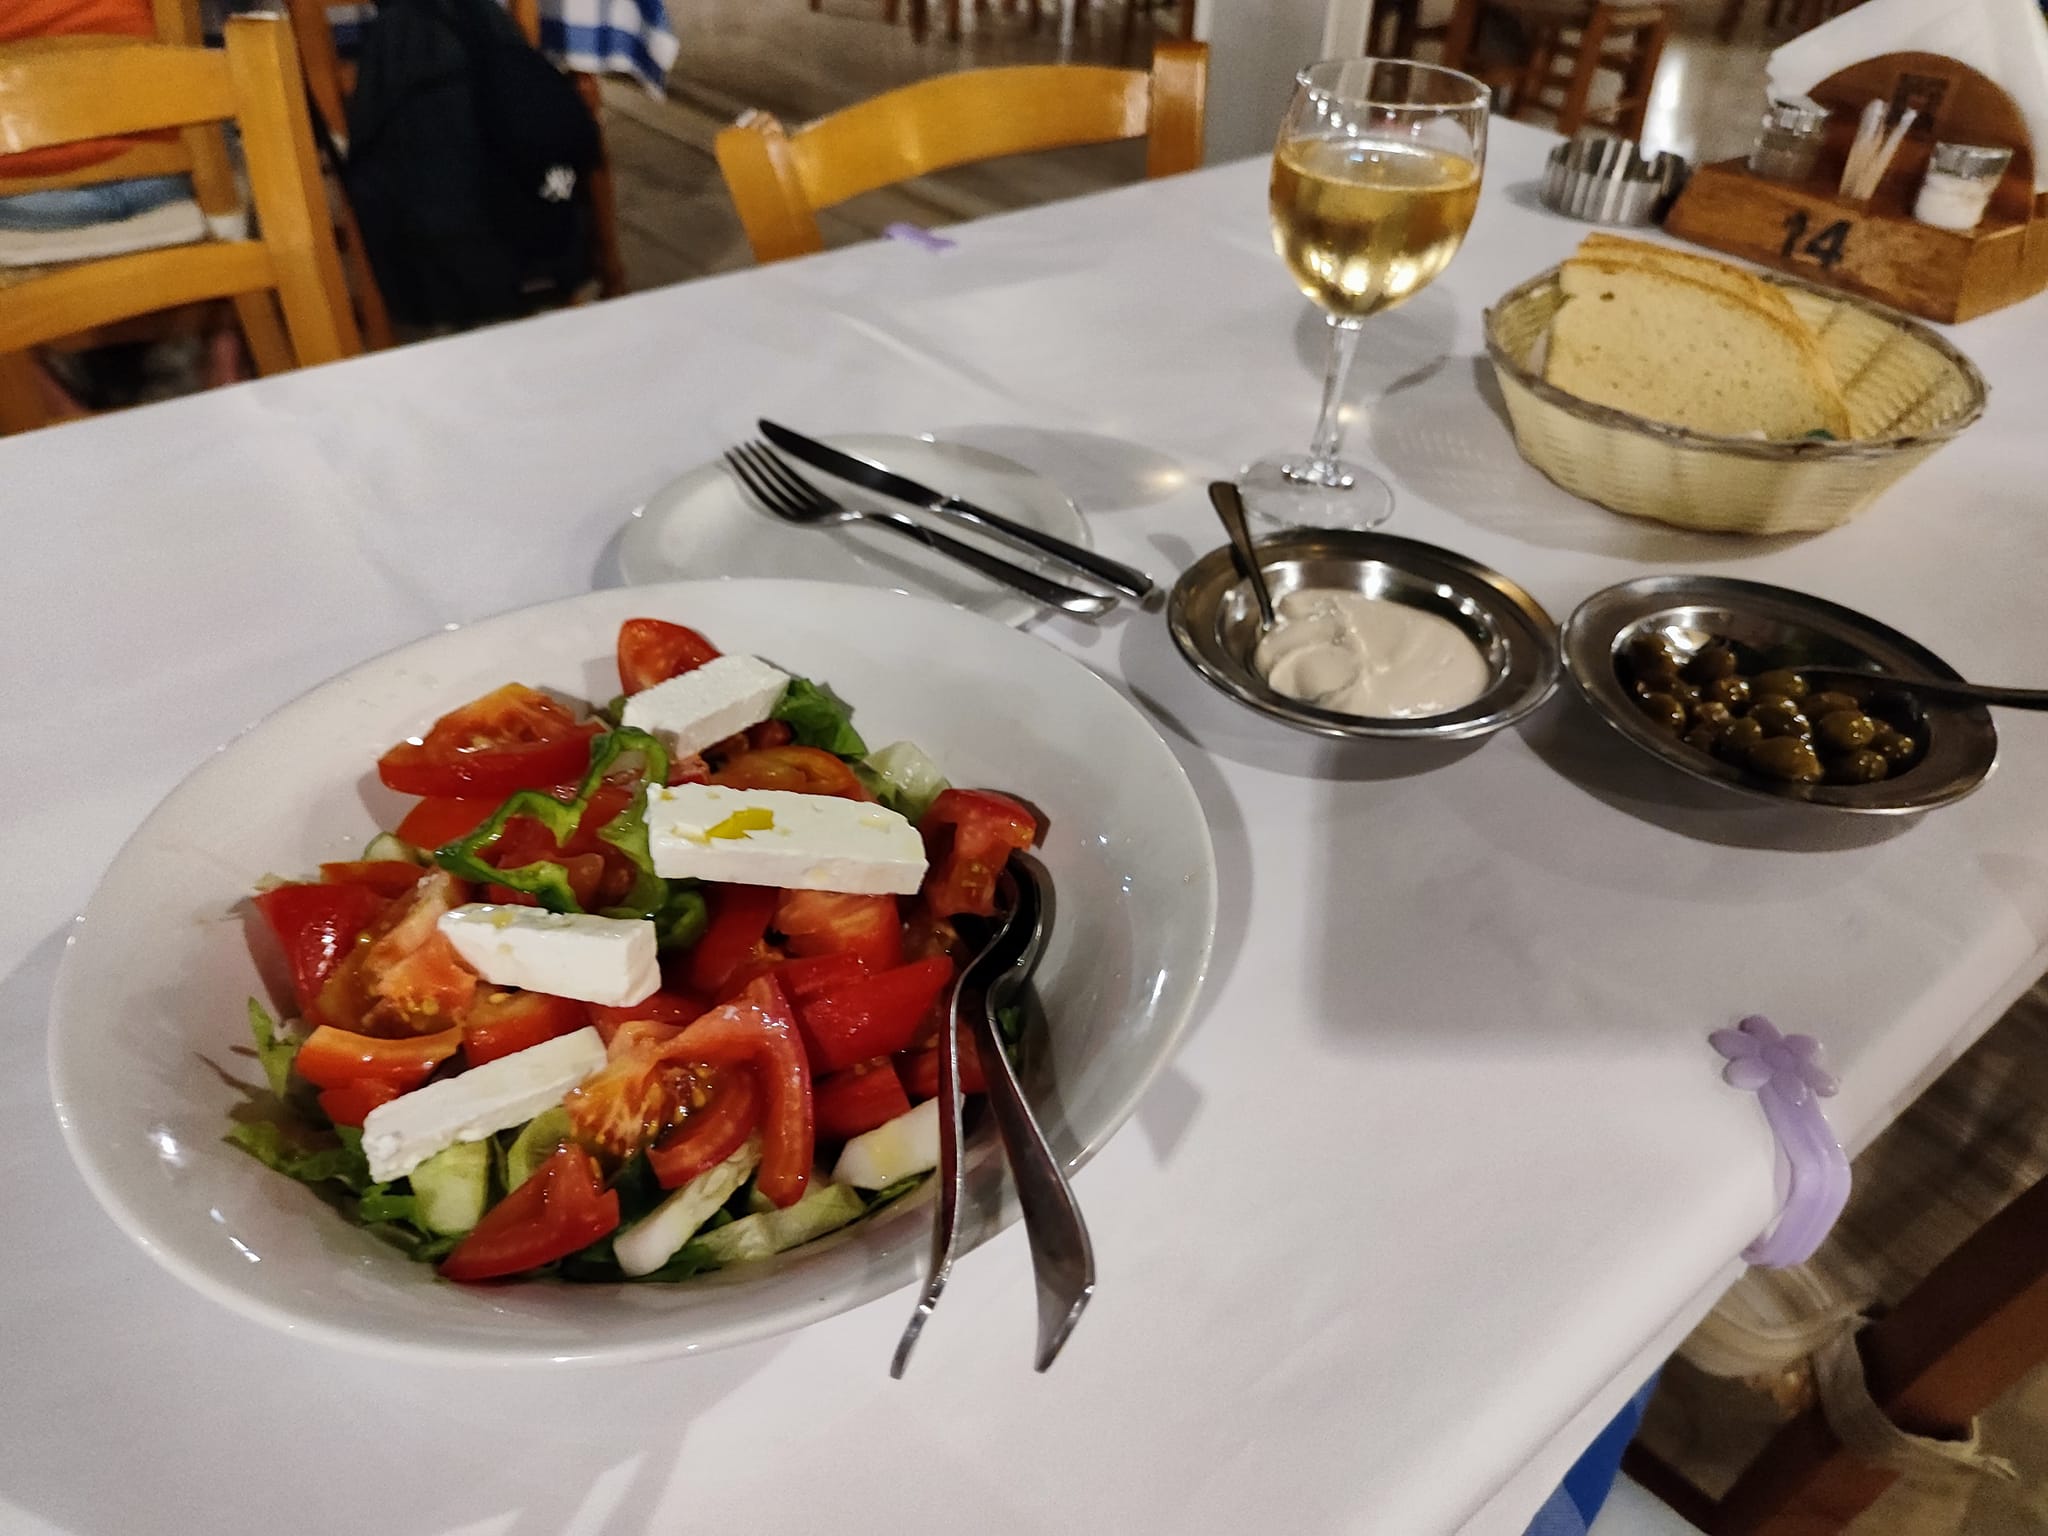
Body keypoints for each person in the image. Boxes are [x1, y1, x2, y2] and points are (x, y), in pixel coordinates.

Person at [0, 0, 245, 419]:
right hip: (175, 188)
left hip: (30, 209)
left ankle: (51, 405)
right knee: (232, 120)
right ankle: (227, 356)